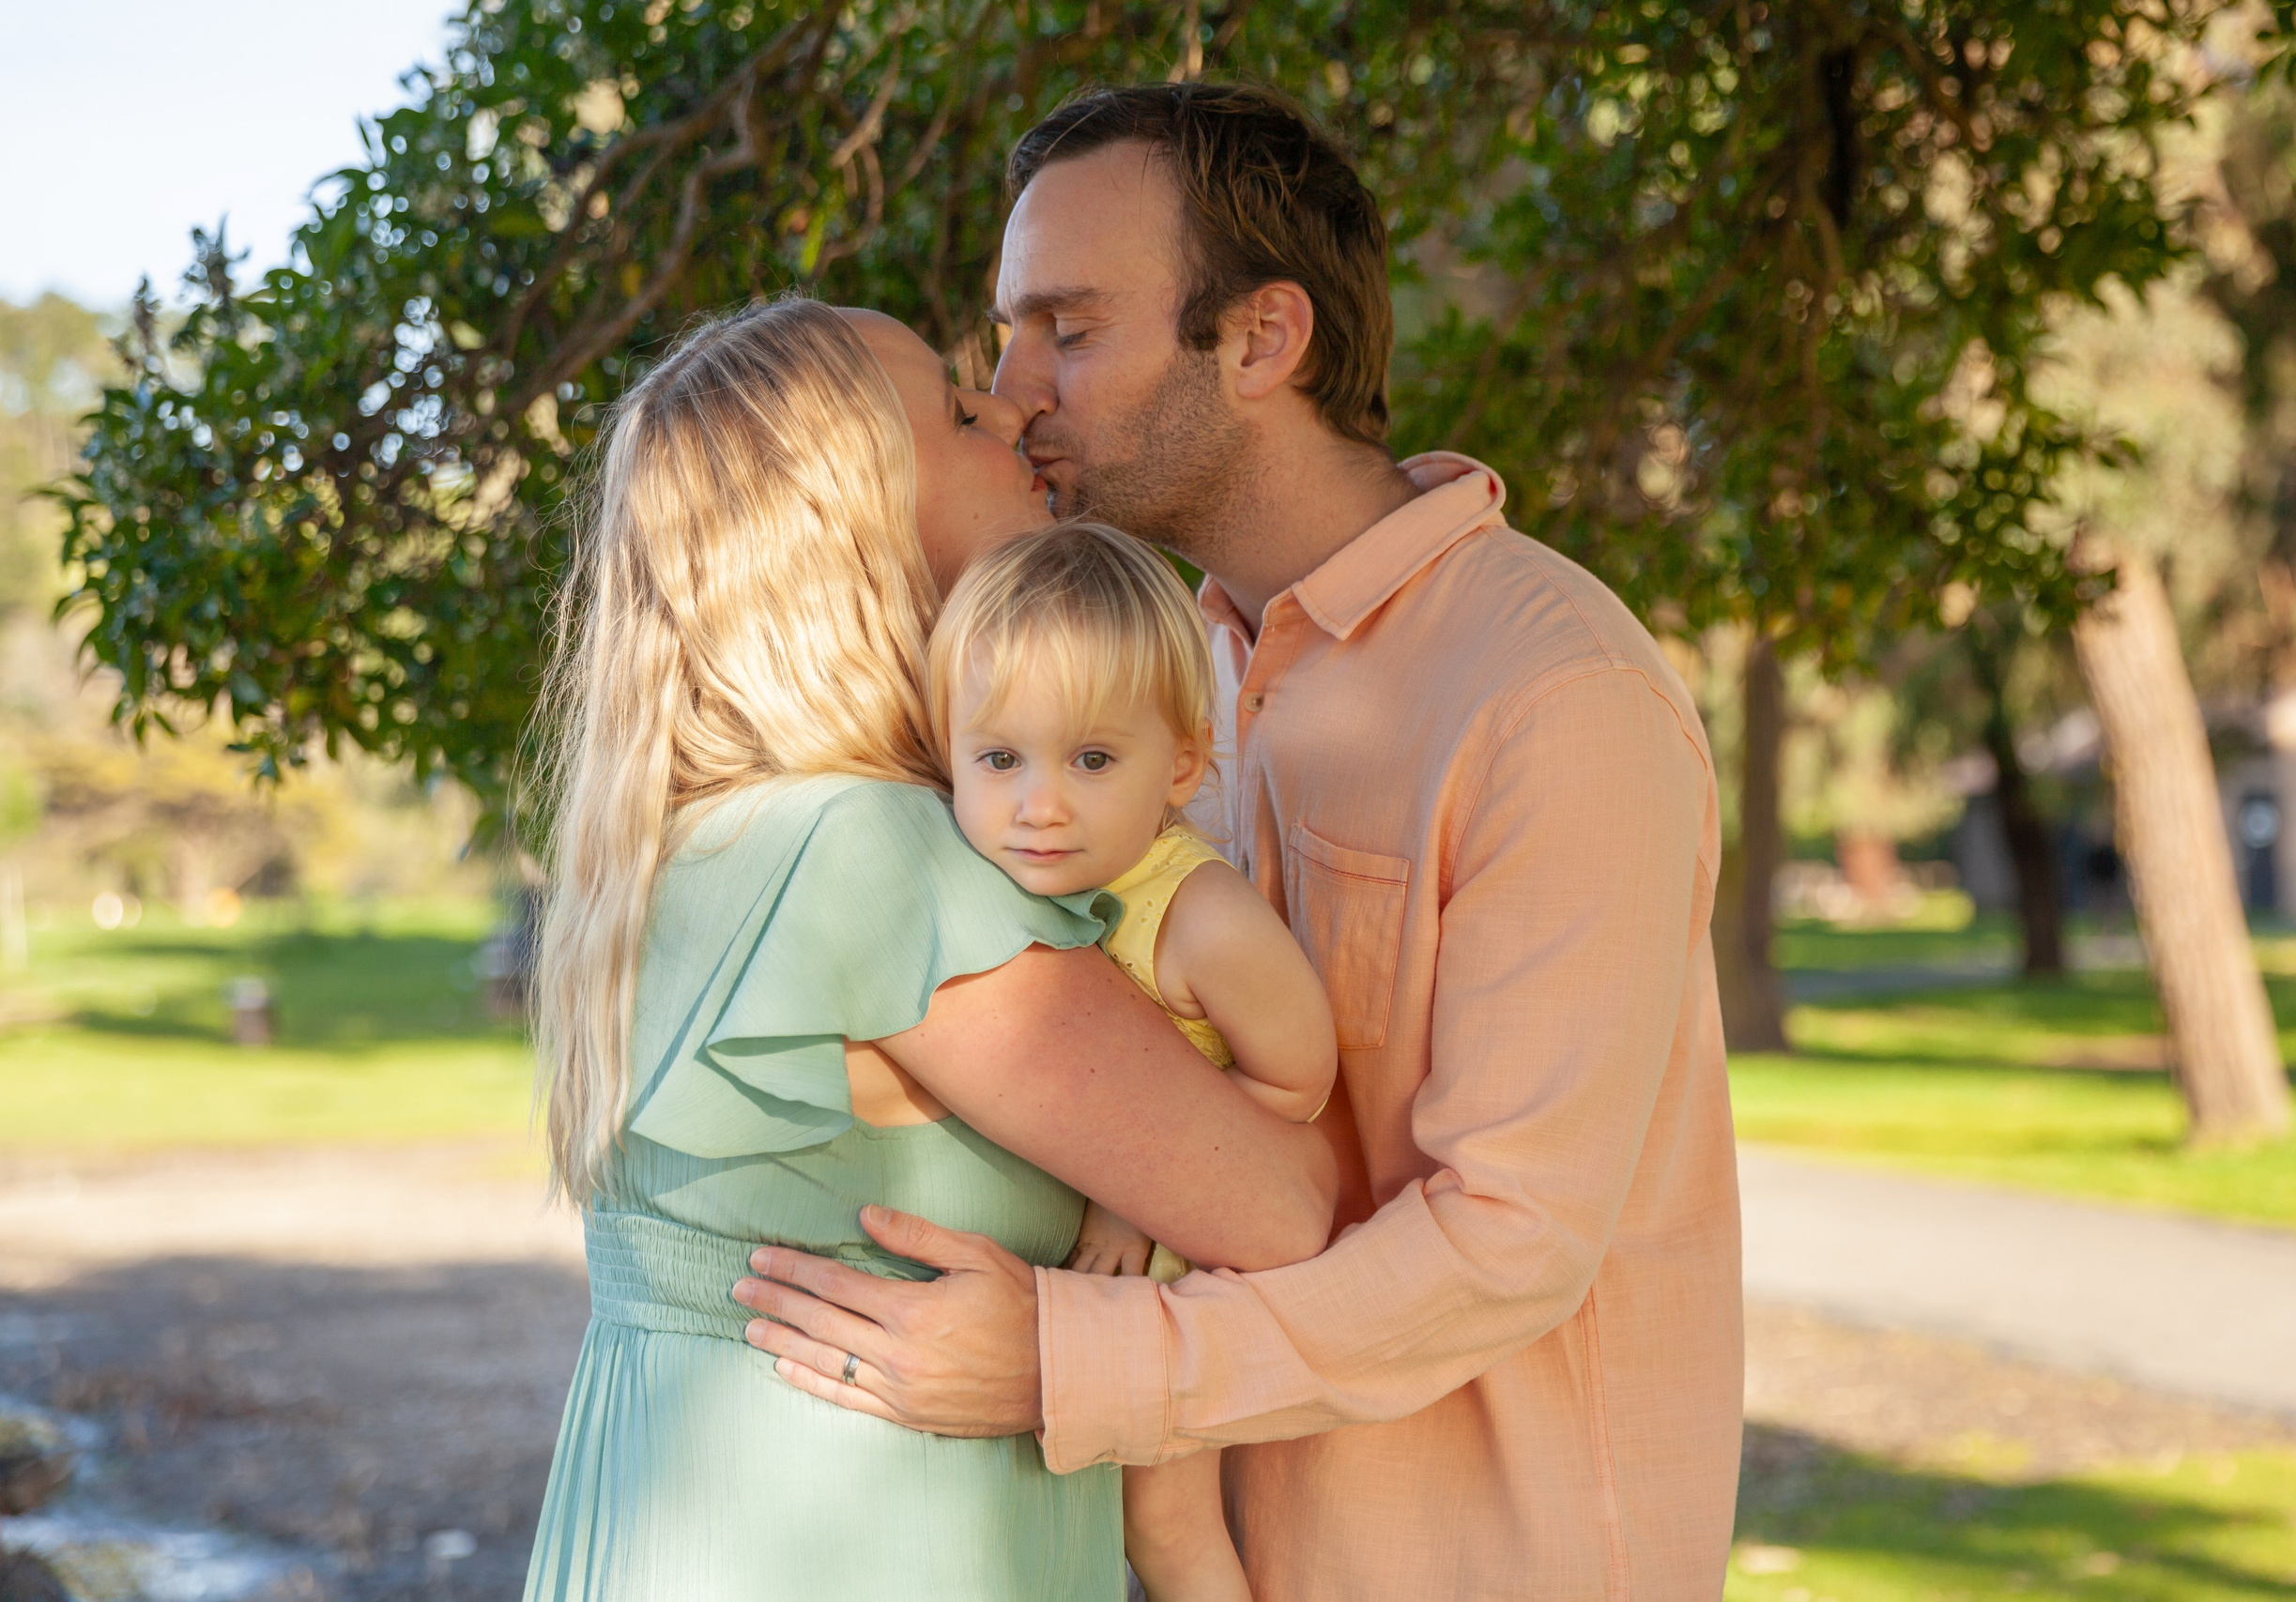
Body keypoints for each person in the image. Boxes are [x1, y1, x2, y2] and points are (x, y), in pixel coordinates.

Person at [734, 83, 1744, 1600]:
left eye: (1065, 329)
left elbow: (1514, 1238)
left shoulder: (1555, 695)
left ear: (1263, 341)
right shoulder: (1157, 681)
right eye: (1004, 335)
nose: (1011, 393)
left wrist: (1070, 1362)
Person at [516, 294, 1335, 1602]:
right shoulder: (874, 860)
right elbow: (1284, 1208)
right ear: (851, 522)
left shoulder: (709, 836)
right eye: (959, 413)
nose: (1014, 408)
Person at [928, 520, 1339, 1602]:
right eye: (999, 759)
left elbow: (1299, 1077)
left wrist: (1142, 1193)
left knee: (1164, 1526)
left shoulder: (1196, 916)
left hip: (1180, 1263)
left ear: (1184, 763)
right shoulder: (987, 882)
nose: (1041, 804)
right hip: (1063, 1284)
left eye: (1093, 760)